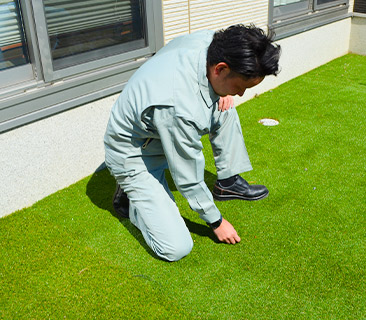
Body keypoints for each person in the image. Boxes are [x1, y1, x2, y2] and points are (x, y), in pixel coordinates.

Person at [104, 24, 281, 261]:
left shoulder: (213, 42)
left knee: (225, 107)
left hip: (156, 126)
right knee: (175, 248)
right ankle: (131, 198)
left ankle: (228, 182)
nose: (241, 94)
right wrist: (216, 222)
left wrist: (225, 91)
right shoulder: (178, 106)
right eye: (240, 87)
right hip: (133, 152)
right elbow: (188, 177)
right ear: (221, 69)